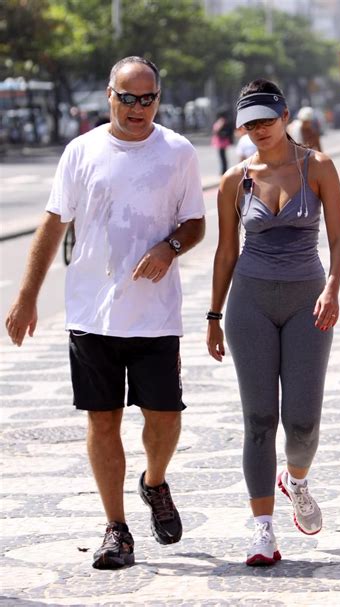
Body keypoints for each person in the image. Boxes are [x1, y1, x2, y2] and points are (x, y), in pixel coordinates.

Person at [5, 56, 206, 570]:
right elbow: (52, 226)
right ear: (109, 95)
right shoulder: (82, 150)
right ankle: (116, 528)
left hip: (155, 315)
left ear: (159, 99)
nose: (138, 108)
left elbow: (195, 223)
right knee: (103, 420)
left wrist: (170, 247)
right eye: (127, 97)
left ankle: (154, 482)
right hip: (91, 314)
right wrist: (28, 296)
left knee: (164, 417)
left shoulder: (178, 152)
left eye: (148, 98)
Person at [206, 79, 340, 566]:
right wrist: (212, 314)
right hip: (250, 302)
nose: (258, 130)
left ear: (285, 115)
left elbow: (339, 239)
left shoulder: (319, 167)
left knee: (303, 421)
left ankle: (298, 480)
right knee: (259, 419)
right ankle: (262, 530)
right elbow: (226, 251)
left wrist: (332, 287)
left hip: (309, 300)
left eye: (266, 120)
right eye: (249, 124)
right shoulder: (235, 179)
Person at [211, 109, 234, 174]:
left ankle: (224, 170)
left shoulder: (221, 121)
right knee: (223, 157)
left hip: (221, 141)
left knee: (222, 157)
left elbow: (216, 130)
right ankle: (224, 170)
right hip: (222, 141)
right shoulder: (224, 121)